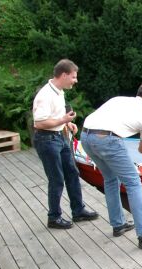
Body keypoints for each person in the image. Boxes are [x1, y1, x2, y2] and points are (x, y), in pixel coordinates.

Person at [80, 84, 142, 249]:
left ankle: (118, 224)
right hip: (108, 140)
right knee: (133, 183)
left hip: (85, 136)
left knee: (110, 179)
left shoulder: (119, 100)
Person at [32, 59, 98, 229]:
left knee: (72, 173)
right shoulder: (45, 95)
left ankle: (78, 211)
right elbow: (39, 123)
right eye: (74, 77)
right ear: (64, 75)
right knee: (56, 179)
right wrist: (63, 119)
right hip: (46, 140)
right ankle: (54, 217)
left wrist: (67, 124)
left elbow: (56, 115)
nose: (75, 81)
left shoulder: (59, 91)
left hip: (60, 137)